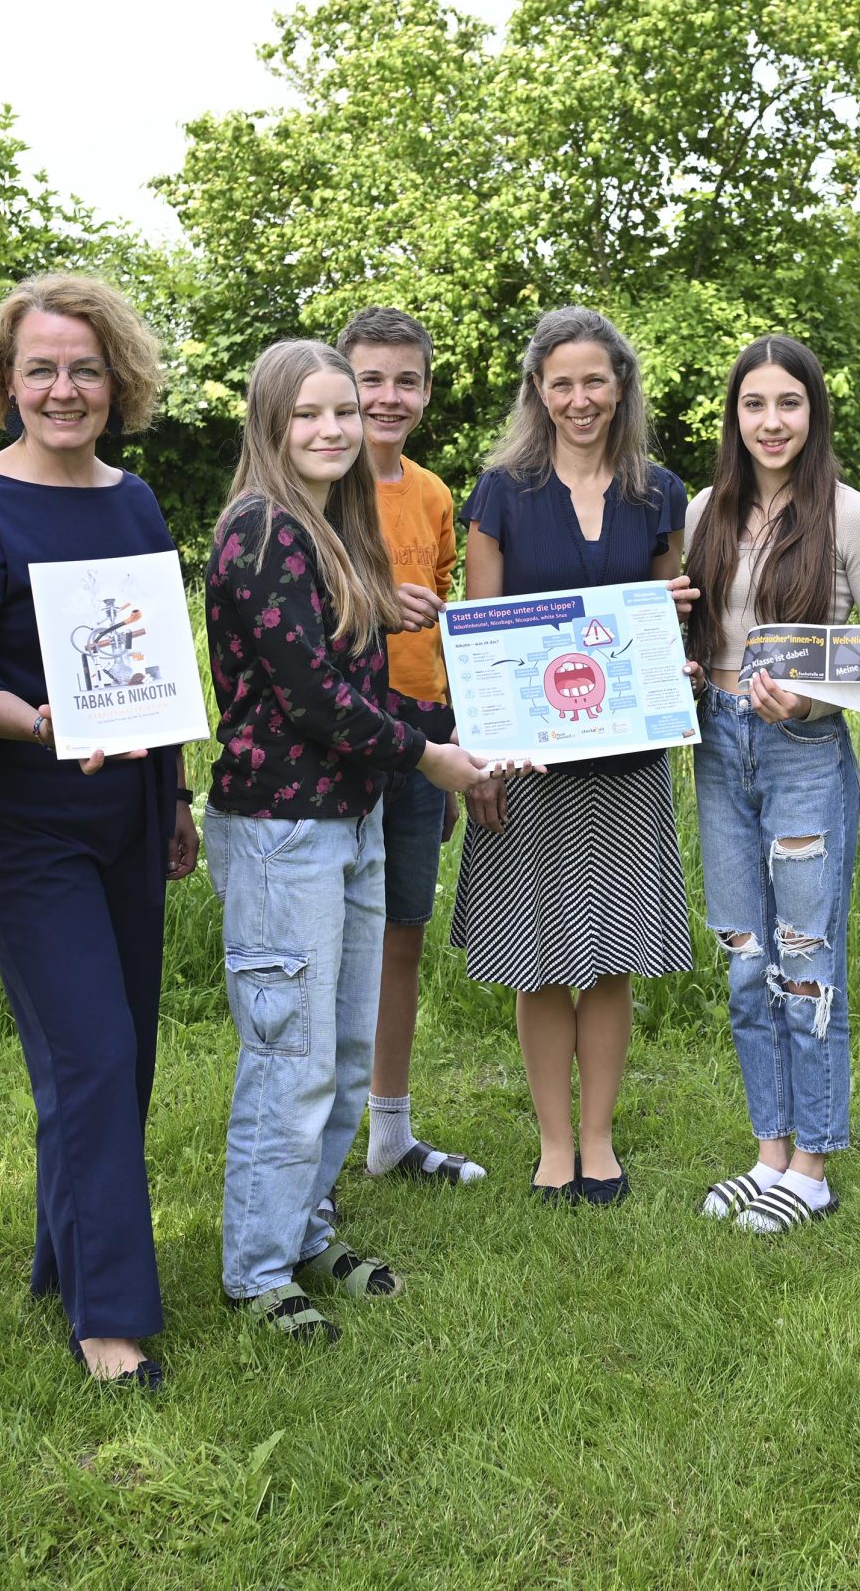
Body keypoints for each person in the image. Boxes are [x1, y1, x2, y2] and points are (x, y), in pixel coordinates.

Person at [0, 274, 192, 1389]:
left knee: (120, 1061)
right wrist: (34, 723)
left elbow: (155, 666)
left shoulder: (134, 501)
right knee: (92, 1055)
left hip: (127, 814)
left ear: (116, 381)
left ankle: (63, 1261)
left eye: (84, 369)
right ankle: (110, 1324)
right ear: (3, 379)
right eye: (41, 369)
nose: (63, 389)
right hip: (21, 823)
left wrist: (172, 799)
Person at [203, 340, 508, 1346]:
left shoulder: (332, 530)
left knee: (335, 1049)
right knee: (287, 1058)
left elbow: (367, 691)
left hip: (353, 815)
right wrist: (432, 760)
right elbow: (316, 701)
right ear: (270, 424)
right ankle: (255, 1270)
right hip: (282, 829)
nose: (333, 429)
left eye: (343, 412)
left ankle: (304, 1233)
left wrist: (445, 736)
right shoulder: (259, 533)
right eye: (309, 415)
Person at [447, 306, 694, 1206]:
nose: (579, 398)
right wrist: (482, 761)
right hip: (530, 770)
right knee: (540, 958)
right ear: (538, 391)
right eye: (562, 383)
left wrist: (676, 641)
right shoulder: (499, 493)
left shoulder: (658, 492)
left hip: (627, 762)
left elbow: (670, 614)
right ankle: (555, 1143)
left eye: (596, 381)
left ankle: (600, 1139)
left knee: (612, 954)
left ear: (621, 385)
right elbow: (476, 641)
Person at [682, 337, 860, 1233]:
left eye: (789, 404)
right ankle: (768, 1152)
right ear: (734, 417)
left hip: (804, 754)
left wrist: (808, 701)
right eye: (753, 405)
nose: (771, 423)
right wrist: (687, 665)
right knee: (746, 964)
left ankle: (812, 1166)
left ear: (814, 413)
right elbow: (690, 630)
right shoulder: (705, 508)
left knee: (807, 965)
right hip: (717, 747)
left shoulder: (853, 516)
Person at [336, 307, 483, 1188]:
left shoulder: (432, 494)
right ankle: (315, 1133)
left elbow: (444, 628)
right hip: (338, 738)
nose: (387, 398)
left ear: (426, 391)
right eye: (370, 380)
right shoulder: (316, 483)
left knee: (402, 935)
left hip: (424, 740)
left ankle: (390, 1132)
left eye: (406, 380)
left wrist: (461, 726)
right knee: (334, 937)